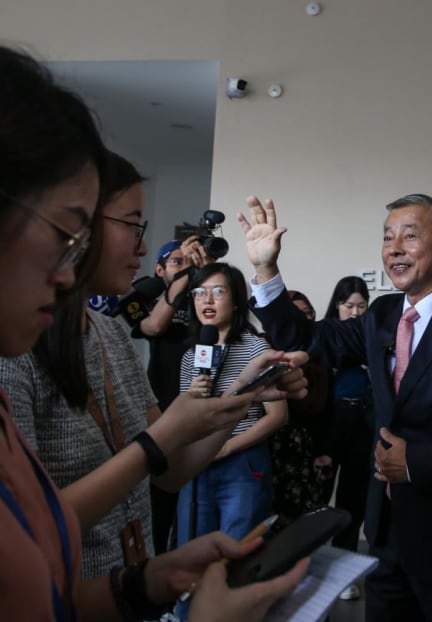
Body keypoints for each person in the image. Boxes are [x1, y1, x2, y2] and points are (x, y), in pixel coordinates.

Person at [0, 43, 308, 621]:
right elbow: (36, 543)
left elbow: (168, 473)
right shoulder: (14, 349)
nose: (144, 247)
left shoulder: (110, 333)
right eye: (70, 229)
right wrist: (158, 443)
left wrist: (241, 396)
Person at [239, 193, 432, 621]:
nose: (394, 248)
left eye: (409, 236)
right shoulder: (381, 314)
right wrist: (266, 269)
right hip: (386, 532)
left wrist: (414, 460)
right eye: (387, 237)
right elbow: (306, 339)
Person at [177, 262, 288, 546]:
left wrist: (226, 447)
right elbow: (182, 421)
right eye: (199, 292)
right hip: (196, 464)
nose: (207, 300)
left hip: (241, 462)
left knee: (236, 552)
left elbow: (277, 417)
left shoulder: (256, 348)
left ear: (237, 301)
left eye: (217, 291)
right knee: (191, 551)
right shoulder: (192, 355)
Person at [132, 236, 210, 553]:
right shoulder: (145, 293)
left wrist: (205, 275)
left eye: (187, 261)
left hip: (201, 401)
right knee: (161, 499)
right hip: (160, 405)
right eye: (176, 262)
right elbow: (152, 327)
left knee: (196, 503)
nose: (184, 267)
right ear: (159, 268)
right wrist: (178, 285)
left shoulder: (204, 292)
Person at [321, 275, 374, 601]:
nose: (354, 312)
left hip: (363, 424)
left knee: (353, 500)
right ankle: (312, 566)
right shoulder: (325, 336)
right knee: (319, 498)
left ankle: (343, 571)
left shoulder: (373, 336)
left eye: (361, 306)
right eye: (348, 305)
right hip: (329, 424)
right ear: (337, 306)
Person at [270, 290, 335, 518]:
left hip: (310, 447)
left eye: (307, 313)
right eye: (296, 314)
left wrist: (324, 451)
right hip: (274, 447)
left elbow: (327, 410)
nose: (302, 319)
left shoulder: (323, 358)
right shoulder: (269, 355)